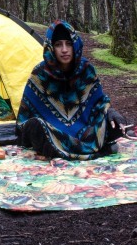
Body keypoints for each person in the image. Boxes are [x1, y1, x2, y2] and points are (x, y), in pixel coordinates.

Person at [16, 20, 128, 161]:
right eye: (58, 45)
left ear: (75, 44)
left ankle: (62, 151)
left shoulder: (86, 70)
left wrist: (110, 112)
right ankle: (101, 149)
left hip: (84, 131)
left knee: (115, 121)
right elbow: (24, 118)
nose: (64, 50)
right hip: (54, 133)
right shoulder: (40, 74)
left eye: (68, 44)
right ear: (51, 47)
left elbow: (99, 103)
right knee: (35, 127)